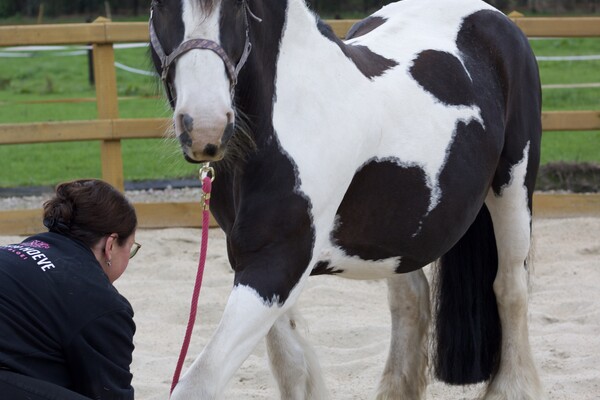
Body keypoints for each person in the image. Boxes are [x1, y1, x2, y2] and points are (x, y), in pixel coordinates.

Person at [0, 179, 140, 400]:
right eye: (131, 249)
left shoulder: (10, 253)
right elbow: (111, 394)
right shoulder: (102, 304)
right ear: (110, 245)